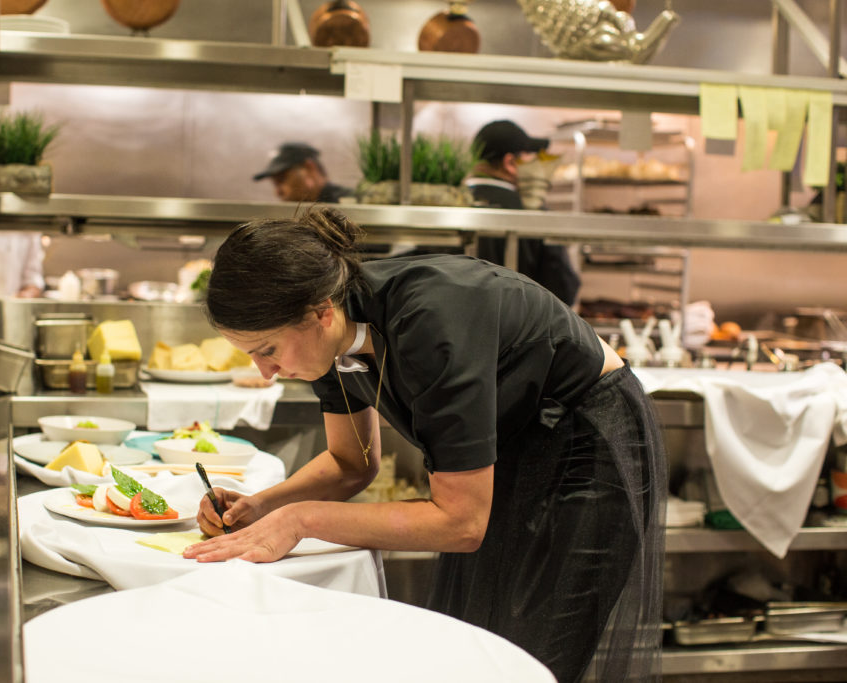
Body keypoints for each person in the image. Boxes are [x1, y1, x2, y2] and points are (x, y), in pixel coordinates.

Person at [184, 207, 666, 683]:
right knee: (476, 647)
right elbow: (352, 463)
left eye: (267, 350)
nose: (266, 372)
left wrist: (301, 519)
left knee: (529, 655)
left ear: (321, 312)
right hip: (513, 440)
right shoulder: (327, 341)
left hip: (584, 439)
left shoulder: (430, 323)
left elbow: (461, 523)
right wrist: (261, 507)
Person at [467, 119, 582, 306]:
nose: (537, 164)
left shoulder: (448, 203)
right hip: (517, 322)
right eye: (530, 156)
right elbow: (563, 290)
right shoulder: (534, 214)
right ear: (510, 162)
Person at [253, 141, 353, 203]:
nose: (278, 192)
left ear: (309, 169)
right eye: (274, 184)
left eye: (282, 180)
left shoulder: (349, 204)